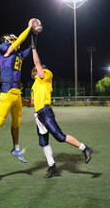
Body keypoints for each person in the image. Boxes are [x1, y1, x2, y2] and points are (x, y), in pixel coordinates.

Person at [22, 36, 93, 178]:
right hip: (38, 115)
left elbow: (37, 63)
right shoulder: (34, 86)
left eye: (37, 70)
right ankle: (52, 166)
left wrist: (34, 49)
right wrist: (17, 96)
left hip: (46, 111)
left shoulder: (46, 75)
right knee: (43, 142)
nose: (35, 72)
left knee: (60, 137)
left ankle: (85, 148)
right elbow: (30, 104)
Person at [0, 19, 37, 167]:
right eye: (12, 40)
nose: (15, 42)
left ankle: (16, 149)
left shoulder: (17, 54)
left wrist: (35, 35)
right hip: (7, 90)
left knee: (17, 122)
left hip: (17, 92)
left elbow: (30, 49)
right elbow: (20, 39)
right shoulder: (4, 51)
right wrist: (28, 28)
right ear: (5, 42)